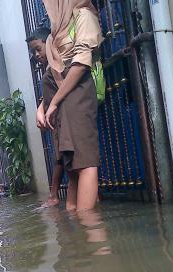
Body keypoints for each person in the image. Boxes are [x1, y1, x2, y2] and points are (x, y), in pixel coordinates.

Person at [42, 0, 103, 211]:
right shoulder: (59, 27)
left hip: (75, 97)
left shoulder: (84, 16)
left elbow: (80, 64)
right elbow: (55, 70)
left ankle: (89, 229)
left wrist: (54, 102)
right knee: (71, 163)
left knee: (84, 161)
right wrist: (43, 105)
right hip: (60, 102)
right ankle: (76, 231)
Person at [27, 27, 65, 208]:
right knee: (61, 157)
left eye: (38, 49)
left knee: (63, 158)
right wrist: (41, 109)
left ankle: (54, 195)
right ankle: (55, 195)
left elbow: (61, 90)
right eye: (33, 51)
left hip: (63, 120)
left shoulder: (56, 67)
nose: (36, 55)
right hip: (56, 121)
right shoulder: (50, 70)